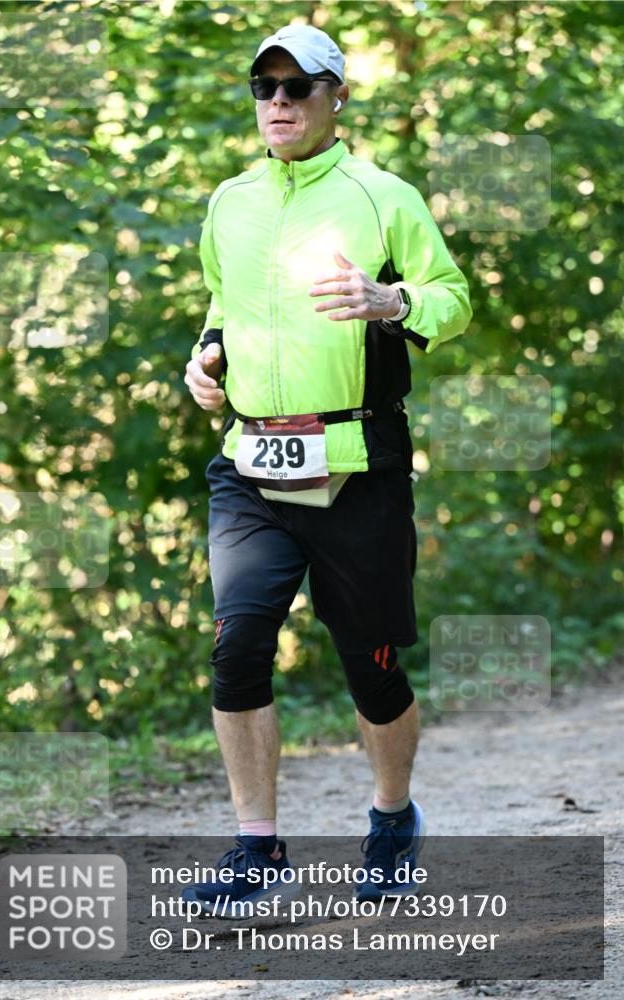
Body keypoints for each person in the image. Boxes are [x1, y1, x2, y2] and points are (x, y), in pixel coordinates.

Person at [182, 24, 472, 917]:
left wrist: (394, 300)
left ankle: (390, 822)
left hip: (356, 465)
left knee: (371, 666)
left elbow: (452, 298)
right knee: (237, 649)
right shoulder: (230, 200)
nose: (277, 102)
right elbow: (222, 305)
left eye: (296, 87)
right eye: (262, 87)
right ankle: (257, 851)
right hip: (250, 464)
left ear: (336, 96)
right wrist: (204, 357)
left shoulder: (383, 196)